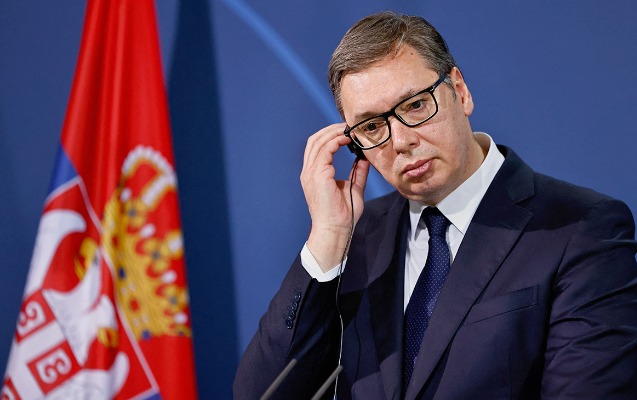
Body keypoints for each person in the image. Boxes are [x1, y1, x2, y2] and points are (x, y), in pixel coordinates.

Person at [233, 11, 637, 400]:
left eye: (415, 105)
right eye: (372, 126)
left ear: (460, 91)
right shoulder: (355, 240)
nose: (401, 141)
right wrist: (328, 239)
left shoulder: (580, 229)